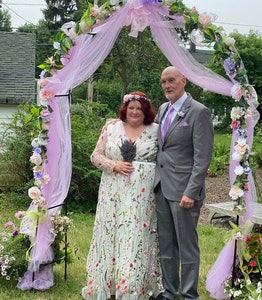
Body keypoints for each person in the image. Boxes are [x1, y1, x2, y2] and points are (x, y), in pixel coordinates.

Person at [82, 91, 162, 300]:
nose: (135, 111)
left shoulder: (157, 131)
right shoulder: (111, 128)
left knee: (136, 236)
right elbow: (95, 156)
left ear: (146, 111)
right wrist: (113, 165)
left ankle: (134, 285)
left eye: (139, 108)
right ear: (125, 109)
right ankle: (107, 284)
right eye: (131, 107)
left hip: (142, 196)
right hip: (112, 192)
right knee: (111, 233)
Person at [154, 66, 214, 300]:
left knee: (187, 246)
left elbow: (202, 158)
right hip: (162, 188)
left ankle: (189, 294)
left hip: (185, 193)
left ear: (183, 81)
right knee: (167, 245)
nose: (167, 85)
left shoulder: (199, 112)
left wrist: (191, 191)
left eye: (171, 80)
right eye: (163, 82)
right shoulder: (163, 109)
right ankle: (170, 292)